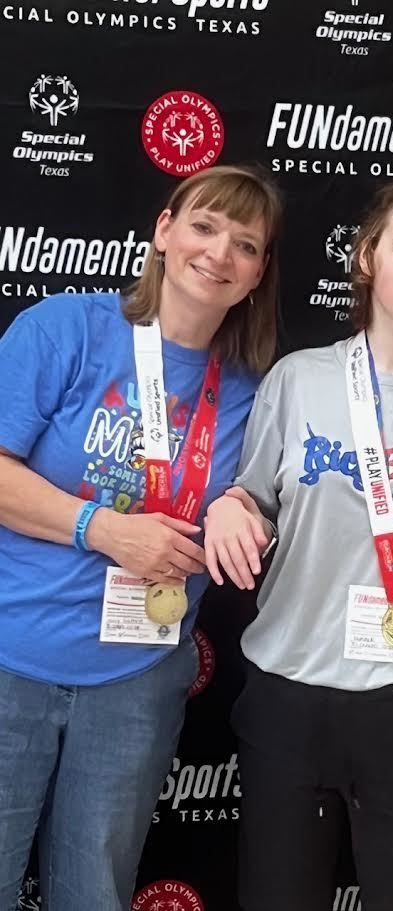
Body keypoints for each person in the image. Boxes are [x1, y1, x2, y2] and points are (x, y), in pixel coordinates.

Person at [203, 175, 393, 911]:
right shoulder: (298, 378)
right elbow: (254, 497)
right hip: (293, 690)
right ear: (370, 256)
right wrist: (228, 506)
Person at [0, 163, 282, 910]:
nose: (220, 253)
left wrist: (237, 500)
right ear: (163, 231)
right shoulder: (68, 328)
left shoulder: (255, 392)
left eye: (246, 244)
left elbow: (259, 494)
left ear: (258, 275)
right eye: (205, 226)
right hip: (11, 661)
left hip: (134, 685)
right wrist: (104, 529)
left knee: (92, 891)